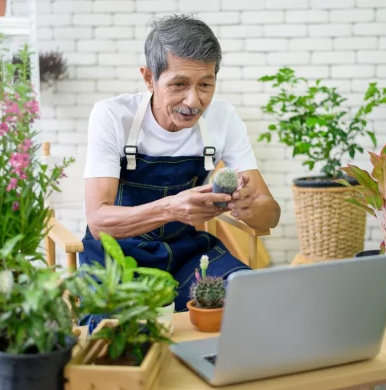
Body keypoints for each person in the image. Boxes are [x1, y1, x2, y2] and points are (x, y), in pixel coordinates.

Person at [80, 14, 281, 319]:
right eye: (179, 84)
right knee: (120, 332)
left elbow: (271, 212)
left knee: (251, 297)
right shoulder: (112, 116)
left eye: (205, 84)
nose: (194, 101)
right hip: (116, 257)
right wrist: (172, 208)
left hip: (185, 252)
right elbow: (98, 221)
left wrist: (247, 207)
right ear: (150, 78)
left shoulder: (223, 119)